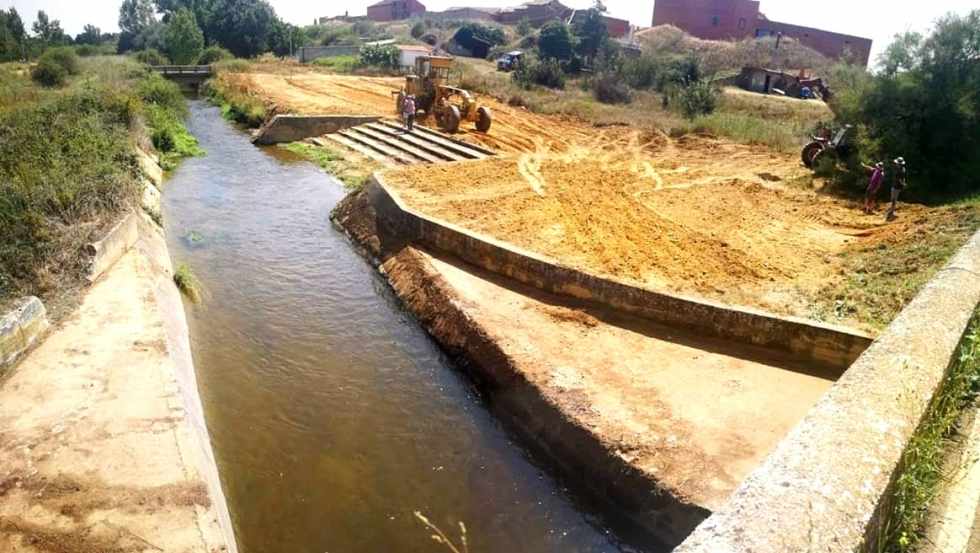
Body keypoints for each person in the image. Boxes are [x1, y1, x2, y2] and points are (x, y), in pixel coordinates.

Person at [885, 157, 907, 221]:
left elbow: (901, 179)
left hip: (896, 187)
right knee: (893, 199)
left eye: (897, 163)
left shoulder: (900, 170)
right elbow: (902, 178)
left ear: (899, 164)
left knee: (893, 200)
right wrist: (903, 183)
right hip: (895, 186)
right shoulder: (901, 169)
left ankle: (891, 212)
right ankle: (891, 211)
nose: (896, 164)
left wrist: (903, 184)